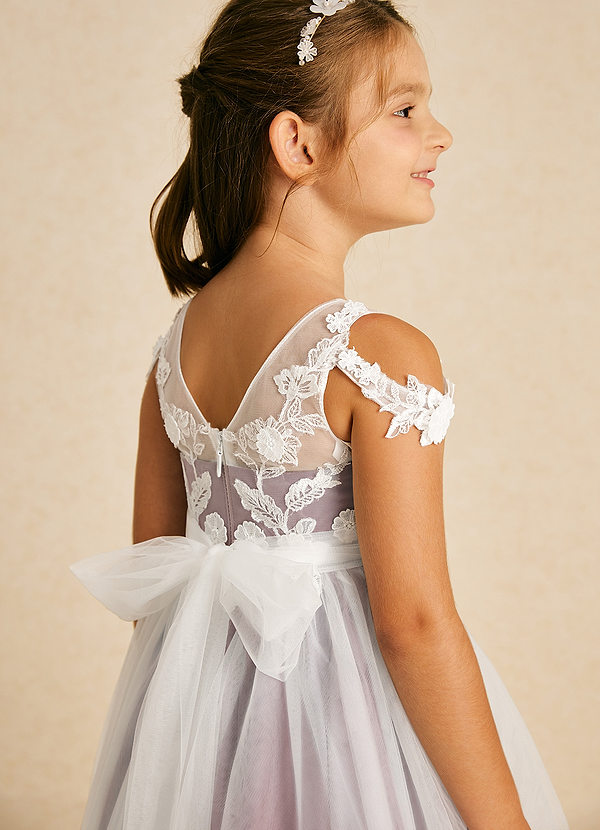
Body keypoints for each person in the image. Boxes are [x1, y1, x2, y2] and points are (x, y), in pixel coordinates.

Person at [69, 1, 570, 828]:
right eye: (404, 110)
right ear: (298, 144)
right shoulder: (376, 356)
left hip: (202, 746)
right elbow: (413, 625)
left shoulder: (174, 350)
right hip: (346, 740)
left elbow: (152, 580)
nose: (440, 134)